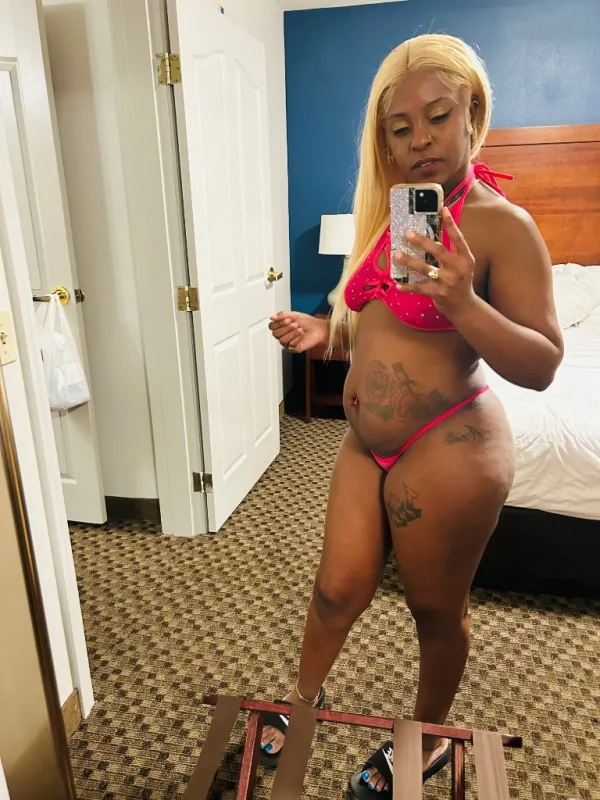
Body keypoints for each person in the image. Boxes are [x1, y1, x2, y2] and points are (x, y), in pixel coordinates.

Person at [264, 33, 563, 797]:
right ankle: (303, 702)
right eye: (401, 128)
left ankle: (420, 740)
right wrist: (327, 334)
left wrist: (463, 302)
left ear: (473, 114)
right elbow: (383, 326)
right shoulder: (393, 213)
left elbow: (542, 364)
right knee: (335, 588)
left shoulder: (502, 226)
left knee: (434, 610)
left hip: (449, 444)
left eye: (438, 116)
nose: (420, 139)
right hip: (364, 444)